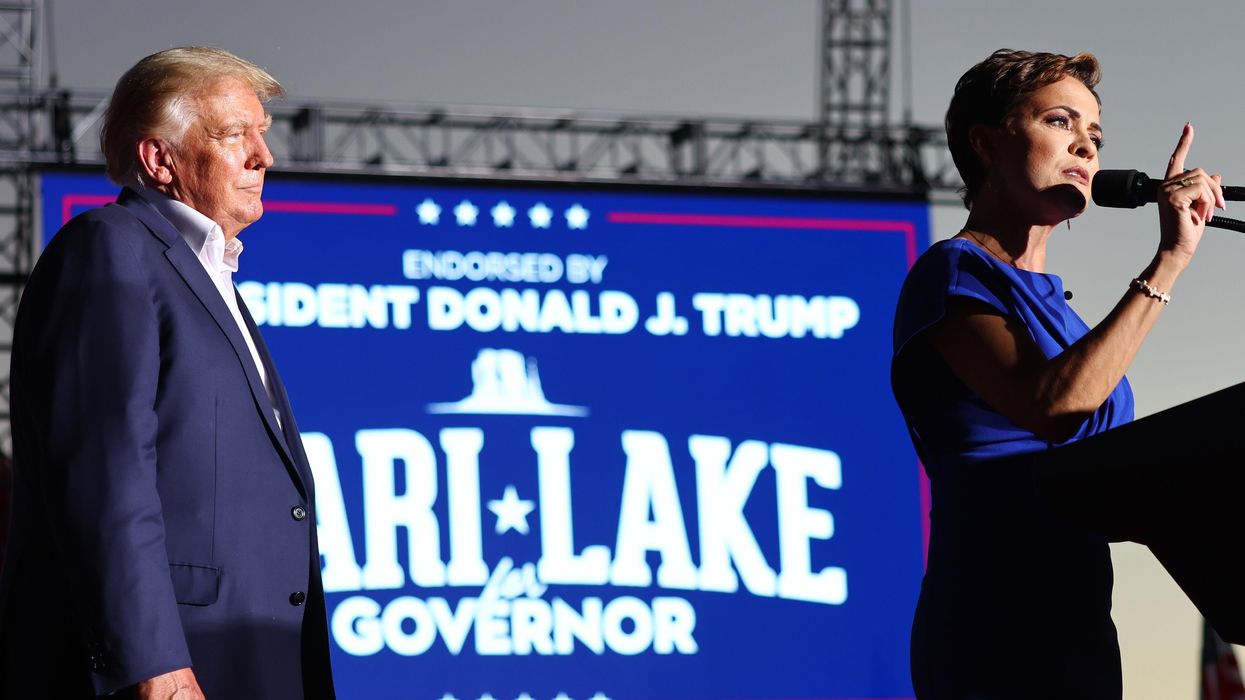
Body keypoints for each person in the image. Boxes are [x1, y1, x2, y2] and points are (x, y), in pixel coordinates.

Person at [0, 47, 336, 699]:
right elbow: (105, 472)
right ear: (160, 159)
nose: (263, 158)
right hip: (174, 667)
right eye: (238, 135)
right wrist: (148, 661)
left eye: (261, 136)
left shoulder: (214, 282)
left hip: (256, 660)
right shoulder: (111, 247)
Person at [890, 49, 1223, 699]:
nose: (1084, 146)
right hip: (993, 618)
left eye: (1094, 135)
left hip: (1077, 618)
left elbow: (1087, 473)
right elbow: (1056, 404)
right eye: (1059, 122)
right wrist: (1168, 263)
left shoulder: (1064, 316)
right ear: (986, 143)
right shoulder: (954, 273)